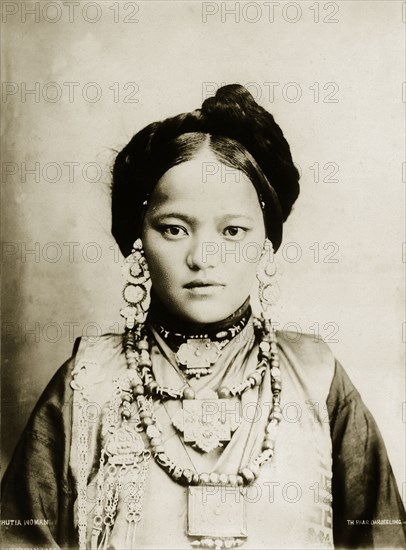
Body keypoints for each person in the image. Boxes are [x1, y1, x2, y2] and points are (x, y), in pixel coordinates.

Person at [2, 84, 405, 550]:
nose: (203, 257)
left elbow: (381, 538)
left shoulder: (317, 378)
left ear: (265, 242)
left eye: (233, 231)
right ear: (140, 239)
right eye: (174, 229)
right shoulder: (88, 380)